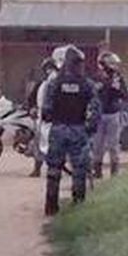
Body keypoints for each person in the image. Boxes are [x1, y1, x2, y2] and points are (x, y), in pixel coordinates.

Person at [41, 45, 98, 215]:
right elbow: (95, 110)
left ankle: (51, 206)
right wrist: (90, 128)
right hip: (78, 130)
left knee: (53, 169)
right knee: (79, 169)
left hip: (58, 129)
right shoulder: (87, 84)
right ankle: (78, 205)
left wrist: (51, 118)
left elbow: (46, 110)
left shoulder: (54, 83)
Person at [90, 51, 128, 178]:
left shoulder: (118, 77)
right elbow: (92, 93)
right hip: (99, 114)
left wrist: (116, 88)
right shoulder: (96, 77)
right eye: (111, 63)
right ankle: (97, 170)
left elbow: (126, 95)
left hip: (113, 114)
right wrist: (105, 85)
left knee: (113, 144)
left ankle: (114, 171)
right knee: (97, 144)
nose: (114, 66)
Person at [24, 54, 59, 177]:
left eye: (52, 68)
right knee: (39, 144)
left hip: (54, 119)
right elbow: (31, 99)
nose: (50, 71)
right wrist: (32, 108)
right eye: (48, 68)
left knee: (52, 145)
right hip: (40, 117)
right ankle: (37, 169)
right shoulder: (41, 84)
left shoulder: (57, 83)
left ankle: (53, 169)